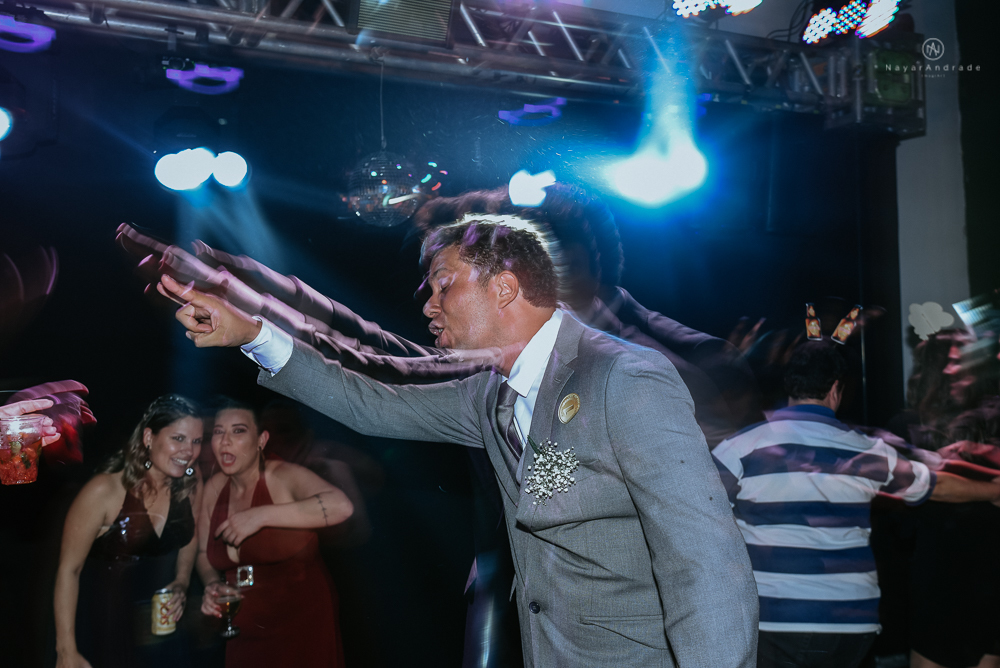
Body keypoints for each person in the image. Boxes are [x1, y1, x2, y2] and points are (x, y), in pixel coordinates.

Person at [157, 213, 759, 667]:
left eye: (443, 285)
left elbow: (705, 561)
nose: (428, 305)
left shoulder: (623, 377)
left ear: (504, 287)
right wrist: (253, 334)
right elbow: (368, 401)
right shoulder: (488, 393)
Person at [712, 341, 1000, 668]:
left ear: (789, 384)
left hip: (778, 620)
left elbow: (698, 515)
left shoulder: (741, 448)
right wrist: (992, 491)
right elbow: (938, 485)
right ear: (836, 389)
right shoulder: (867, 450)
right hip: (852, 623)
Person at [196, 399, 354, 668]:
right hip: (244, 631)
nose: (224, 441)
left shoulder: (282, 476)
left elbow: (342, 506)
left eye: (238, 431)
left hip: (299, 628)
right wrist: (212, 583)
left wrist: (260, 515)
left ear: (261, 440)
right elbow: (203, 551)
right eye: (218, 432)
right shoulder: (214, 488)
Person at [54, 395, 204, 668]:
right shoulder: (105, 490)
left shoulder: (191, 481)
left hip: (165, 632)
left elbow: (190, 537)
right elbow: (69, 571)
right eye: (179, 438)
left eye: (196, 441)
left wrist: (181, 581)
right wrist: (66, 651)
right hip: (105, 631)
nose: (189, 451)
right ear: (149, 438)